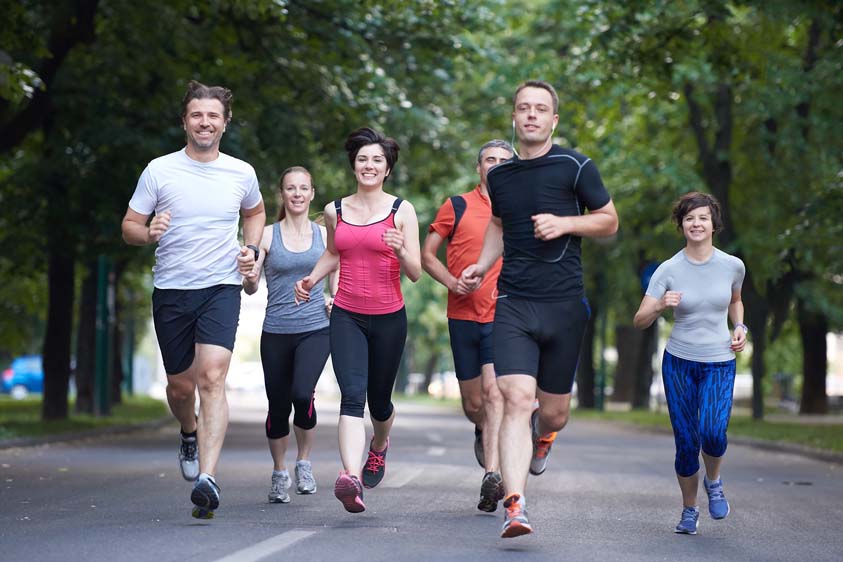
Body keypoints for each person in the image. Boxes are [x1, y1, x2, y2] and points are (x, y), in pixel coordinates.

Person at [461, 80, 618, 538]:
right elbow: (497, 223)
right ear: (514, 117)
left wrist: (566, 222)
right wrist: (481, 265)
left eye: (540, 109)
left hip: (565, 305)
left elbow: (610, 220)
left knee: (553, 414)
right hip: (513, 302)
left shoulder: (575, 166)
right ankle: (516, 505)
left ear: (553, 120)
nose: (531, 115)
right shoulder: (501, 176)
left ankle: (543, 438)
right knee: (513, 399)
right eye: (523, 108)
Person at [121, 80, 265, 519]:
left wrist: (253, 250)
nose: (205, 122)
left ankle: (208, 477)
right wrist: (148, 233)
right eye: (197, 115)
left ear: (225, 122)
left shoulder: (241, 172)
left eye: (213, 116)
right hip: (172, 290)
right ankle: (188, 429)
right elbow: (129, 225)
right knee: (181, 387)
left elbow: (256, 212)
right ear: (185, 120)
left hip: (221, 286)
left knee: (213, 376)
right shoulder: (159, 170)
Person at [294, 127, 421, 513]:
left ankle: (379, 446)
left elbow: (415, 271)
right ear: (354, 165)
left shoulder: (403, 211)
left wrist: (400, 251)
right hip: (347, 313)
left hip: (389, 317)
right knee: (352, 396)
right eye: (363, 159)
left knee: (379, 401)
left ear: (387, 169)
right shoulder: (335, 210)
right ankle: (350, 477)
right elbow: (335, 253)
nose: (369, 165)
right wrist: (313, 278)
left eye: (377, 160)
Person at [633, 192, 746, 535]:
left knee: (713, 433)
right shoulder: (668, 269)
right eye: (689, 219)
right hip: (679, 362)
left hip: (719, 362)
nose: (696, 224)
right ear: (681, 225)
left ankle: (714, 481)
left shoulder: (732, 265)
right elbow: (640, 319)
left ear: (713, 224)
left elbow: (736, 301)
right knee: (686, 442)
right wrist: (660, 305)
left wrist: (740, 326)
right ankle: (688, 510)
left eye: (702, 218)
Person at [421, 139, 512, 513]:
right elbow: (427, 255)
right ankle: (481, 429)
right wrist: (451, 282)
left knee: (494, 395)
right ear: (479, 168)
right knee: (474, 403)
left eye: (504, 161)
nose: (495, 165)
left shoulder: (520, 206)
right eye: (489, 160)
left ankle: (492, 475)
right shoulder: (456, 205)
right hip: (461, 315)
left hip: (503, 314)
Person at [243, 166, 337, 504]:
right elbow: (251, 287)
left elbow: (335, 270)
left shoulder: (325, 233)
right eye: (290, 188)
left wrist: (334, 297)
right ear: (282, 194)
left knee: (302, 393)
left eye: (303, 188)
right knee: (278, 404)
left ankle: (304, 462)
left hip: (315, 328)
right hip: (276, 330)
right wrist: (251, 277)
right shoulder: (267, 235)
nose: (297, 194)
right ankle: (280, 471)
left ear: (312, 193)